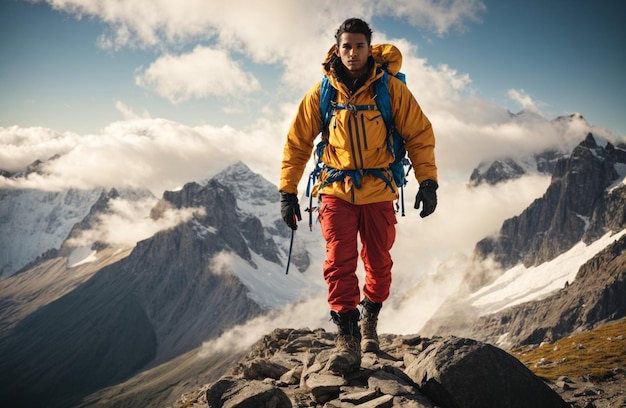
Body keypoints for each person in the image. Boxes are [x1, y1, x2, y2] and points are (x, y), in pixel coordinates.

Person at [279, 17, 438, 374]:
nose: (352, 53)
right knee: (339, 261)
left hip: (379, 189)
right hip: (335, 189)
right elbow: (299, 141)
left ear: (370, 48)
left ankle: (370, 322)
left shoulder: (391, 89)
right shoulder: (323, 91)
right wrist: (287, 190)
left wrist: (428, 181)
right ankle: (347, 338)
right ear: (337, 49)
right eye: (346, 46)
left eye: (359, 46)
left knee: (378, 263)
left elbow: (419, 134)